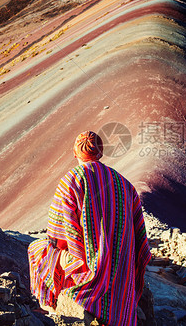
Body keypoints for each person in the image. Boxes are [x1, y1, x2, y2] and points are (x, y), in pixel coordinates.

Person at [28, 131, 151, 326]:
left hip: (86, 268)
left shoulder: (71, 180)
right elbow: (140, 237)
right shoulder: (124, 184)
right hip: (122, 274)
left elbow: (56, 237)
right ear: (100, 153)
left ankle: (53, 307)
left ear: (75, 153)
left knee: (37, 250)